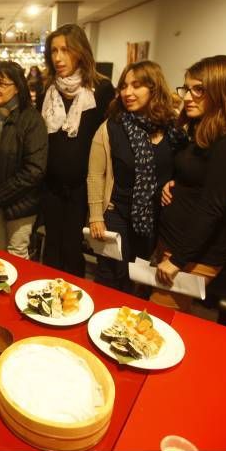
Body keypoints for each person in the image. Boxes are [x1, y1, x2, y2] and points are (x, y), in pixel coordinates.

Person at [154, 55, 226, 310]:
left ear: (224, 92)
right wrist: (174, 182)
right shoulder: (203, 130)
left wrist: (178, 260)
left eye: (198, 89)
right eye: (187, 88)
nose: (187, 97)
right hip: (174, 242)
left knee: (154, 321)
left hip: (193, 254)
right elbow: (195, 176)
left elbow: (212, 207)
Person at [87, 61, 184, 294]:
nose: (127, 93)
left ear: (154, 88)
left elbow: (182, 168)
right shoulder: (112, 127)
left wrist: (175, 183)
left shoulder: (174, 130)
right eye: (124, 86)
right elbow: (95, 175)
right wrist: (96, 216)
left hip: (152, 220)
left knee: (136, 277)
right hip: (115, 214)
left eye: (136, 86)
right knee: (111, 275)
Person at [40, 23, 115, 277]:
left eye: (65, 50)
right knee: (51, 246)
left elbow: (108, 142)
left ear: (80, 51)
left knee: (72, 250)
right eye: (53, 51)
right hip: (50, 185)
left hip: (82, 186)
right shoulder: (48, 88)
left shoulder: (101, 90)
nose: (58, 57)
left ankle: (72, 302)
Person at [0, 61, 48, 259]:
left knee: (16, 255)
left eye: (1, 83)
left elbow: (34, 170)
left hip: (20, 203)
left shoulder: (31, 119)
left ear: (17, 86)